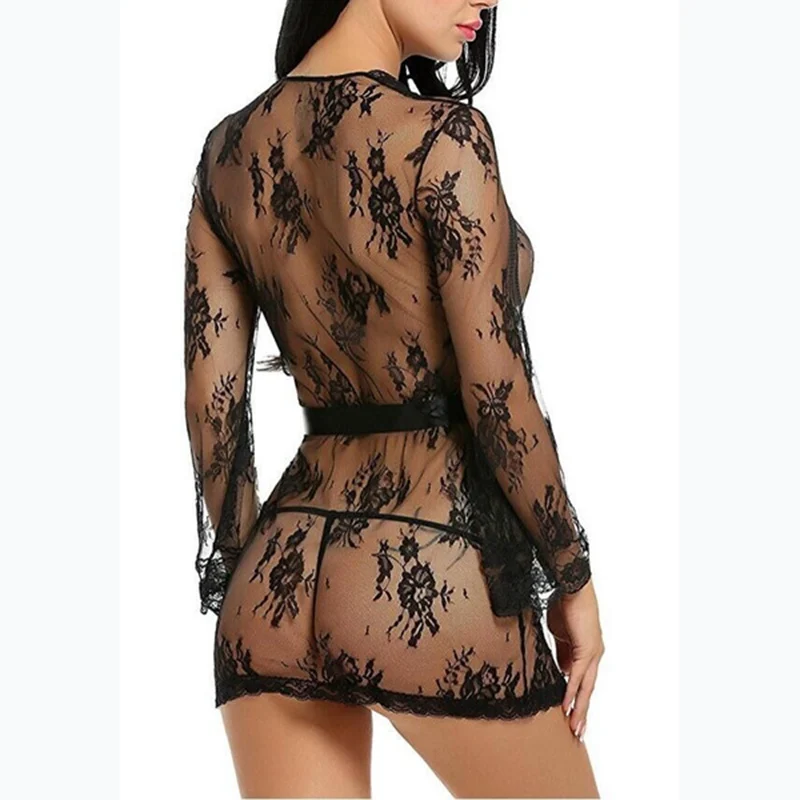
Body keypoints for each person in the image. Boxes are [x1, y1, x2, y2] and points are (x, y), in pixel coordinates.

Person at [183, 0, 604, 796]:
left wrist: (245, 578)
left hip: (274, 585)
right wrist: (571, 575)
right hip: (431, 564)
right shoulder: (445, 137)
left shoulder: (228, 151)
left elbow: (212, 401)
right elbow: (497, 390)